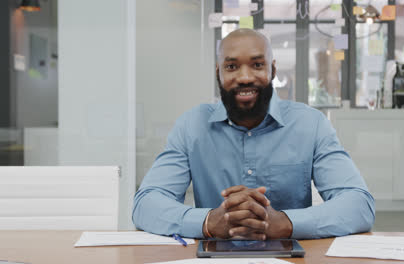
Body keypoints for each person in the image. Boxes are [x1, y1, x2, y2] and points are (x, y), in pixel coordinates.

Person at [133, 29, 375, 240]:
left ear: (273, 70)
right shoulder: (191, 126)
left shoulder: (311, 124)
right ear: (219, 73)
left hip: (291, 254)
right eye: (232, 66)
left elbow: (359, 205)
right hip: (212, 256)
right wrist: (208, 222)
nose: (245, 77)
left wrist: (285, 223)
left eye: (257, 65)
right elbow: (146, 204)